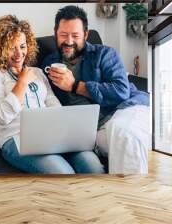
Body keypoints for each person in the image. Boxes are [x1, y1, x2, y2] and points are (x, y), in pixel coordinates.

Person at [0, 15, 104, 174]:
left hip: (50, 133)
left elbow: (52, 102)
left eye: (22, 46)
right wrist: (22, 82)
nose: (19, 54)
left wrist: (67, 129)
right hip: (16, 139)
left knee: (92, 165)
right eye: (12, 48)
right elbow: (1, 116)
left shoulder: (37, 72)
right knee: (63, 173)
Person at [42, 6, 150, 174]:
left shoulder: (104, 54)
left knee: (124, 135)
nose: (68, 41)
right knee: (112, 142)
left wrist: (75, 86)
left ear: (85, 35)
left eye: (75, 35)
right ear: (55, 33)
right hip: (93, 128)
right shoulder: (49, 64)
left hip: (124, 108)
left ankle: (130, 195)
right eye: (63, 34)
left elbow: (121, 91)